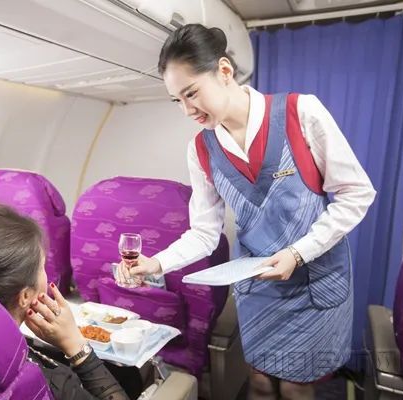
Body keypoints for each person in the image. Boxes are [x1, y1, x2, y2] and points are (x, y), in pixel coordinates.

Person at [117, 24, 376, 399]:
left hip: (313, 281)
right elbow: (204, 232)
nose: (187, 110)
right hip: (258, 285)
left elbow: (356, 192)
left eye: (192, 93)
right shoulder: (201, 150)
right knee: (259, 382)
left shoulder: (300, 113)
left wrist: (298, 252)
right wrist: (155, 264)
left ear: (224, 71)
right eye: (177, 101)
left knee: (296, 389)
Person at [0, 202, 130, 400]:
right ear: (25, 296)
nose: (45, 275)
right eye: (42, 267)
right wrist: (75, 344)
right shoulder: (55, 384)